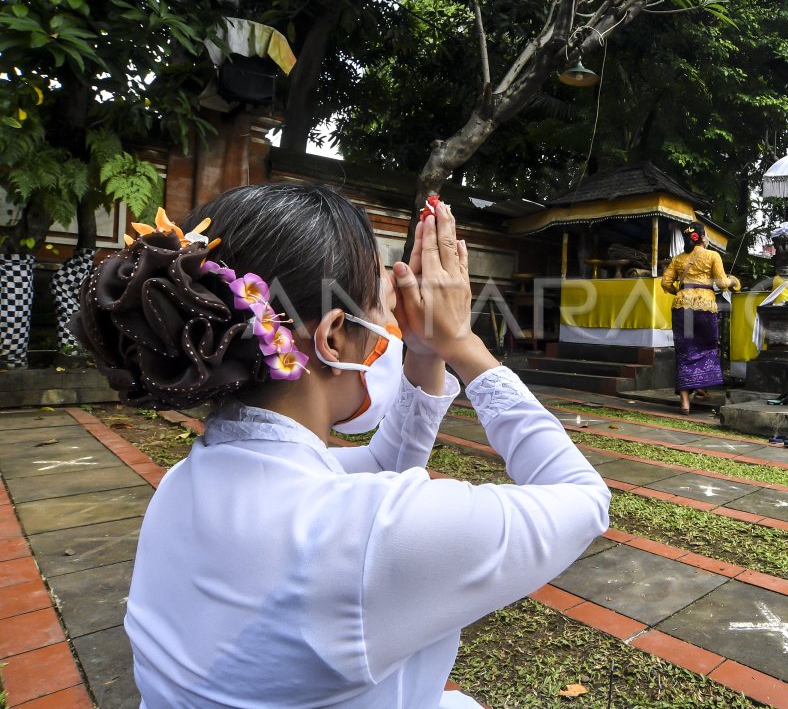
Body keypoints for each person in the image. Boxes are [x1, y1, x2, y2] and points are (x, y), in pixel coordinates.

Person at [71, 183, 610, 708]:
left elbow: (379, 470)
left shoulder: (184, 482)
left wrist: (424, 353)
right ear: (331, 338)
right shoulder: (370, 533)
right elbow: (585, 498)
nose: (391, 327)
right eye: (383, 308)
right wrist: (463, 344)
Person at [660, 223, 740, 414]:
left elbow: (665, 282)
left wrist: (679, 291)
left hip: (681, 307)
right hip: (705, 306)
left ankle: (685, 401)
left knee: (685, 350)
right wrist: (734, 282)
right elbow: (721, 284)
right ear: (703, 238)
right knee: (708, 346)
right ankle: (702, 385)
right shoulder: (712, 255)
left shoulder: (678, 259)